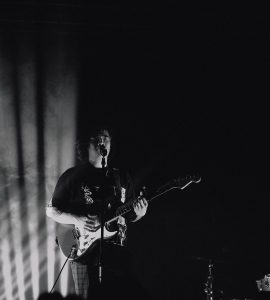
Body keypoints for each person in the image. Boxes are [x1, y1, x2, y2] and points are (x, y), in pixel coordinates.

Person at [46, 126, 148, 299]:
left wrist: (140, 213)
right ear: (86, 144)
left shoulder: (121, 177)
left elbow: (129, 214)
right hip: (82, 249)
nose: (102, 141)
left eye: (106, 137)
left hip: (114, 250)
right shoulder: (73, 176)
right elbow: (51, 210)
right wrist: (77, 219)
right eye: (97, 137)